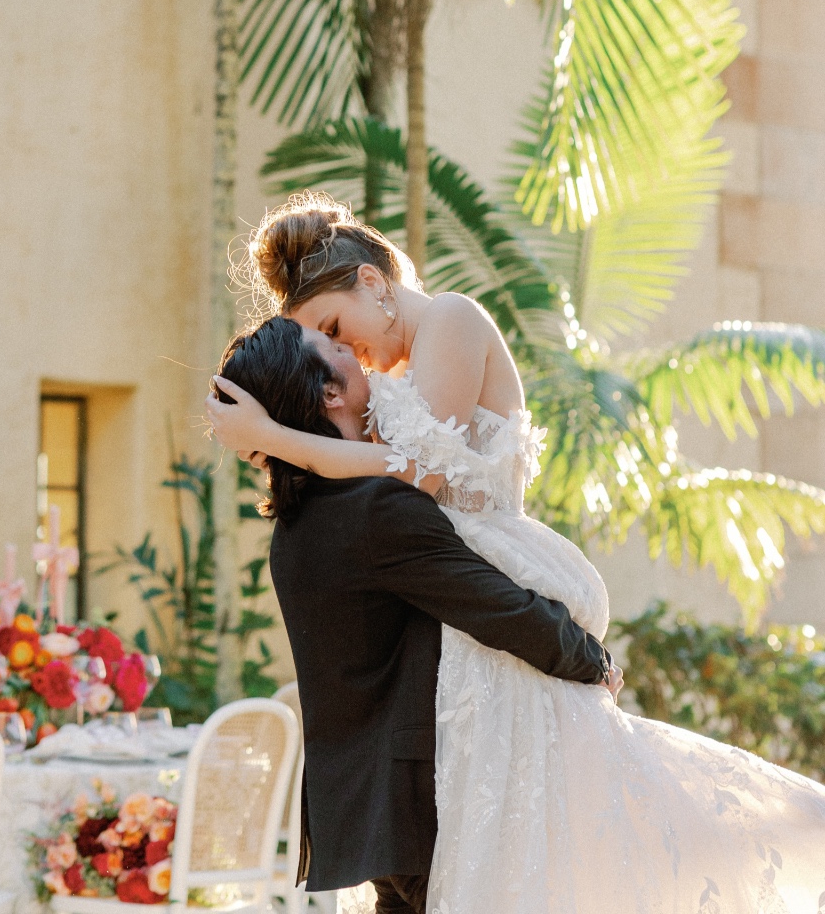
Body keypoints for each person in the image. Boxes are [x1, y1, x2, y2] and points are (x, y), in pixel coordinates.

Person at [207, 195, 825, 914]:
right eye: (331, 347)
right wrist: (284, 432)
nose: (352, 353)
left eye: (338, 331)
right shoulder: (372, 461)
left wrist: (280, 440)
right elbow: (406, 480)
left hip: (494, 593)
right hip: (466, 656)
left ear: (375, 283)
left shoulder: (452, 322)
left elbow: (421, 473)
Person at [215, 314, 619, 914]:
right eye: (333, 346)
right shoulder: (376, 508)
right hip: (421, 808)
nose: (355, 352)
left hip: (372, 811)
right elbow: (496, 606)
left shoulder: (299, 524)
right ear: (331, 392)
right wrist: (592, 660)